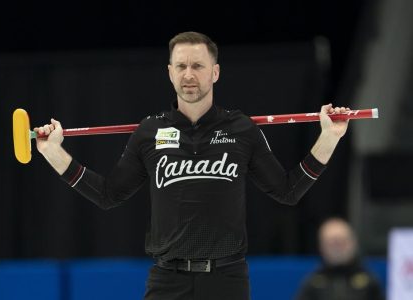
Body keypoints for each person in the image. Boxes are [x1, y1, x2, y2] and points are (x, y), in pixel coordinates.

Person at [35, 31, 349, 300]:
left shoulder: (242, 129)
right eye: (181, 66)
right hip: (167, 281)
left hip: (227, 280)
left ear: (215, 72)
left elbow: (288, 190)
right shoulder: (149, 132)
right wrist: (53, 153)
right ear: (170, 72)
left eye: (198, 66)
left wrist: (330, 137)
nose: (189, 75)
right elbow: (108, 194)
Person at [296, 218, 385, 300]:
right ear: (321, 247)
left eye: (341, 242)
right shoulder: (312, 283)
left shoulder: (369, 282)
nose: (337, 248)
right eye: (332, 243)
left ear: (353, 243)